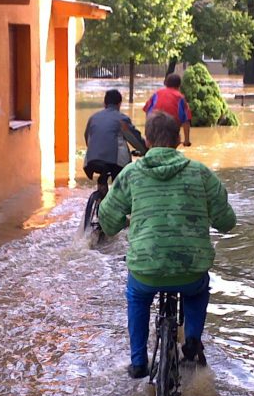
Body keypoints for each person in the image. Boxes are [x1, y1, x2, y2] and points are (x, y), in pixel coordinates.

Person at [98, 111, 237, 378]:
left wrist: (121, 222)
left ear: (147, 141)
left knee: (137, 298)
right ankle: (193, 340)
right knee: (197, 291)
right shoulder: (201, 174)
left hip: (146, 271)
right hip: (190, 270)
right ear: (177, 141)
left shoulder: (131, 174)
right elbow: (227, 221)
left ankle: (138, 362)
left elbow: (108, 220)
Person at [84, 89, 146, 194]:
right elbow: (134, 140)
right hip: (115, 163)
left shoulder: (93, 118)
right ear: (119, 104)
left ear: (104, 103)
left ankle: (101, 194)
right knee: (123, 182)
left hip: (91, 161)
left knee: (104, 177)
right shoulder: (122, 119)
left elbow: (87, 138)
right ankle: (119, 199)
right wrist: (145, 150)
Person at [143, 73, 193, 147]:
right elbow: (186, 121)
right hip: (171, 132)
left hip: (154, 129)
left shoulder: (157, 93)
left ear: (166, 83)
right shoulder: (180, 98)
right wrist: (186, 140)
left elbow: (147, 111)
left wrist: (148, 134)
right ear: (179, 85)